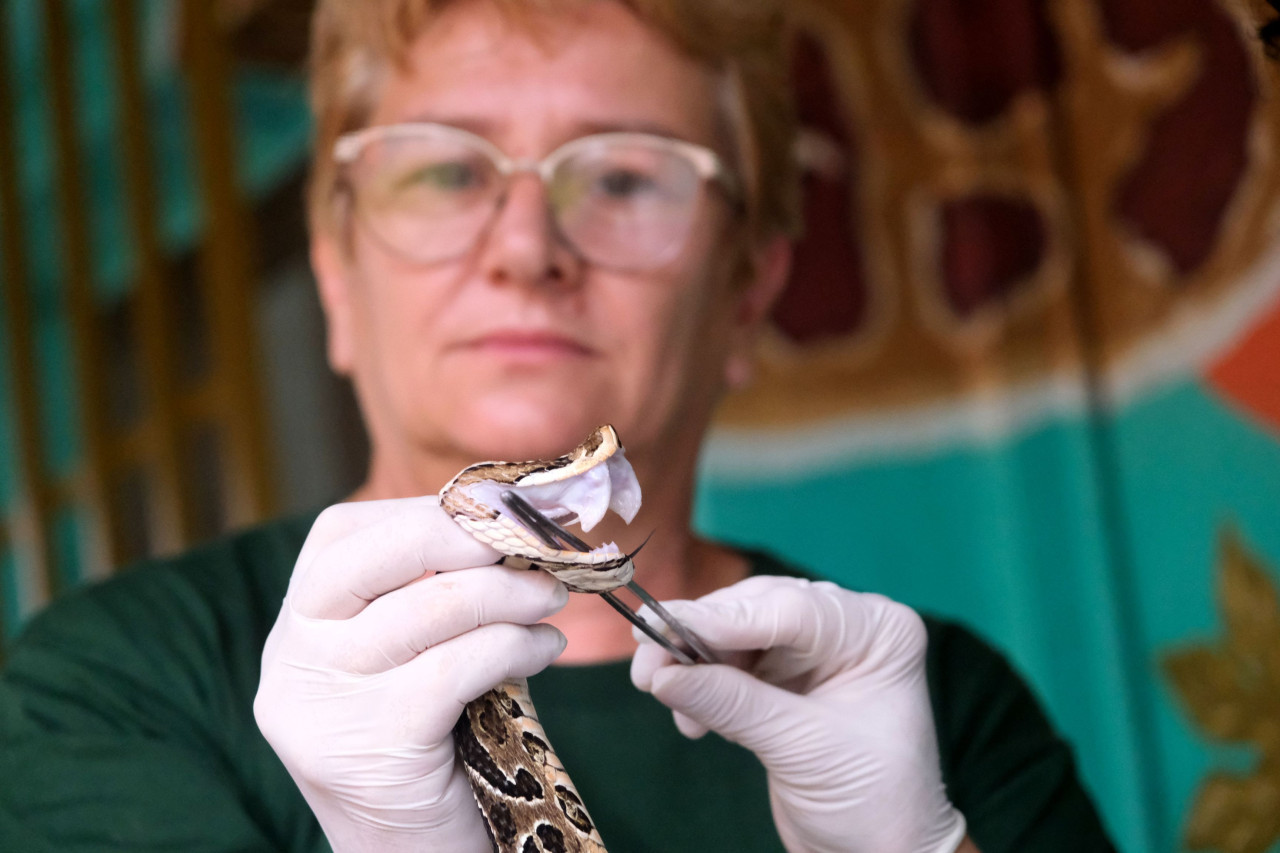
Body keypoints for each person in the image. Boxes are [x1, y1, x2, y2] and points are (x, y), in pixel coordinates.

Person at [0, 1, 1116, 851]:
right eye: (443, 169)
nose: (526, 246)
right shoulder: (109, 688)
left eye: (624, 177)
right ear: (336, 280)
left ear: (744, 291)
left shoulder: (936, 711)